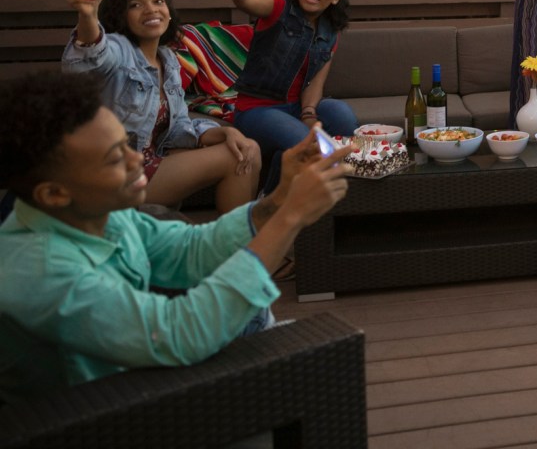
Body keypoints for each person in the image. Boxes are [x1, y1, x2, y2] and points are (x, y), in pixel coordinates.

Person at [0, 69, 351, 402]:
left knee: (261, 325)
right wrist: (290, 217)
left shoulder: (101, 215)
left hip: (135, 372)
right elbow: (181, 333)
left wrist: (279, 197)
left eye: (127, 143)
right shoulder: (41, 271)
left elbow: (191, 251)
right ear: (54, 194)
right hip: (100, 413)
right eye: (113, 159)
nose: (136, 159)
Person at [59, 0, 261, 214]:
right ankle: (238, 245)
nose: (151, 10)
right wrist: (88, 14)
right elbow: (90, 55)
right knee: (236, 158)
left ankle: (242, 239)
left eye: (158, 1)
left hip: (150, 161)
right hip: (114, 173)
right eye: (136, 5)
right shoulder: (118, 49)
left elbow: (178, 129)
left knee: (246, 147)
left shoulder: (168, 60)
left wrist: (224, 134)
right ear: (121, 14)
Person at [224, 0, 357, 158]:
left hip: (294, 109)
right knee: (305, 142)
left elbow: (315, 83)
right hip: (257, 110)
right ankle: (271, 191)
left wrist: (308, 113)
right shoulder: (278, 8)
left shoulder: (330, 33)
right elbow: (246, 0)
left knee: (341, 115)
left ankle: (289, 164)